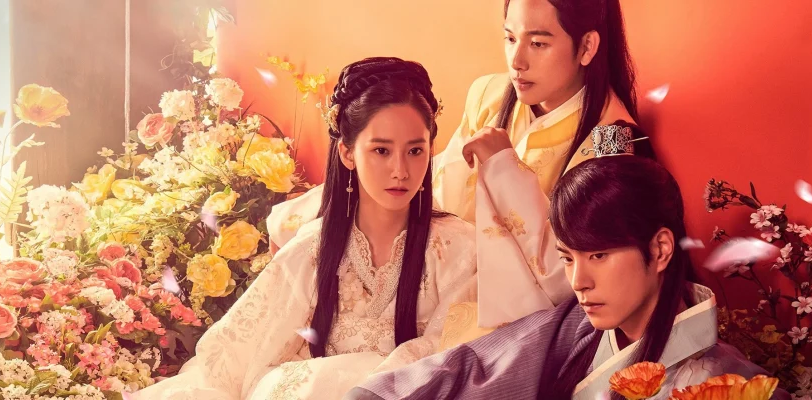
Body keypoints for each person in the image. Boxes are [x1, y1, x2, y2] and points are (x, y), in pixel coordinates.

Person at [266, 0, 652, 329]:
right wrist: (305, 213)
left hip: (509, 310)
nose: (517, 61)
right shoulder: (490, 93)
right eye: (510, 38)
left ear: (587, 46)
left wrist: (504, 169)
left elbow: (569, 275)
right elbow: (431, 181)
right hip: (439, 266)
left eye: (538, 43)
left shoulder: (612, 140)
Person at [132, 57, 477, 400]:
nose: (400, 170)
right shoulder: (315, 246)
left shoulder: (458, 249)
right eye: (381, 150)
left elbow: (454, 353)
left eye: (415, 150)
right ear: (347, 153)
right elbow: (234, 354)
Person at [345, 154, 789, 400]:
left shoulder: (731, 385)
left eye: (598, 254)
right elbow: (472, 367)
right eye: (568, 258)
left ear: (659, 249)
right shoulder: (581, 327)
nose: (579, 281)